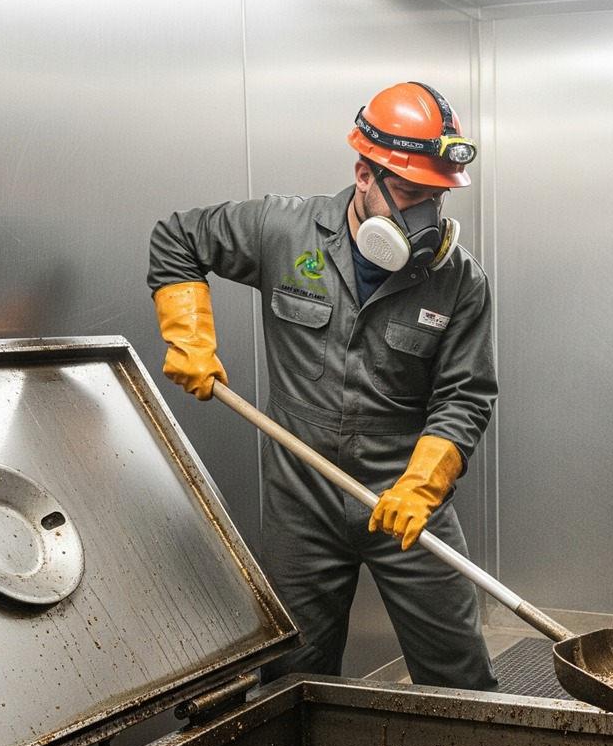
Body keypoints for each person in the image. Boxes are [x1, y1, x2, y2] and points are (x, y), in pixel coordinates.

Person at [148, 80, 498, 690]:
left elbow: (464, 397)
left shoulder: (458, 281)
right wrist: (190, 337)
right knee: (292, 679)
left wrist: (421, 486)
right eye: (412, 195)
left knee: (458, 676)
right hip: (299, 497)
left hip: (402, 497)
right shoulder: (285, 233)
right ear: (364, 173)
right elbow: (178, 238)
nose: (425, 219)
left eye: (436, 200)